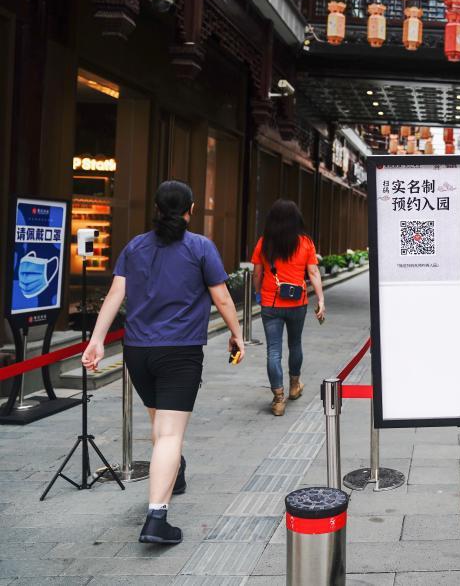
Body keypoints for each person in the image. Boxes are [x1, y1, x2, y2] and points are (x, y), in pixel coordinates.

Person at [82, 180, 244, 545]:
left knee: (160, 424)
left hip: (138, 352)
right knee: (170, 433)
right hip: (179, 352)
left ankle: (175, 472)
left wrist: (96, 340)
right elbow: (222, 298)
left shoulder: (135, 247)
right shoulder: (200, 247)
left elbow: (115, 295)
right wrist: (237, 334)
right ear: (191, 209)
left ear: (156, 209)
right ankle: (157, 517)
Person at [252, 199, 325, 416]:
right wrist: (320, 299)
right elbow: (313, 273)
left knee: (273, 351)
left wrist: (258, 293)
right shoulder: (305, 243)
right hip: (297, 303)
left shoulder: (264, 243)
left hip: (271, 303)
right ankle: (294, 386)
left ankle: (278, 399)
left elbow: (257, 274)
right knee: (295, 344)